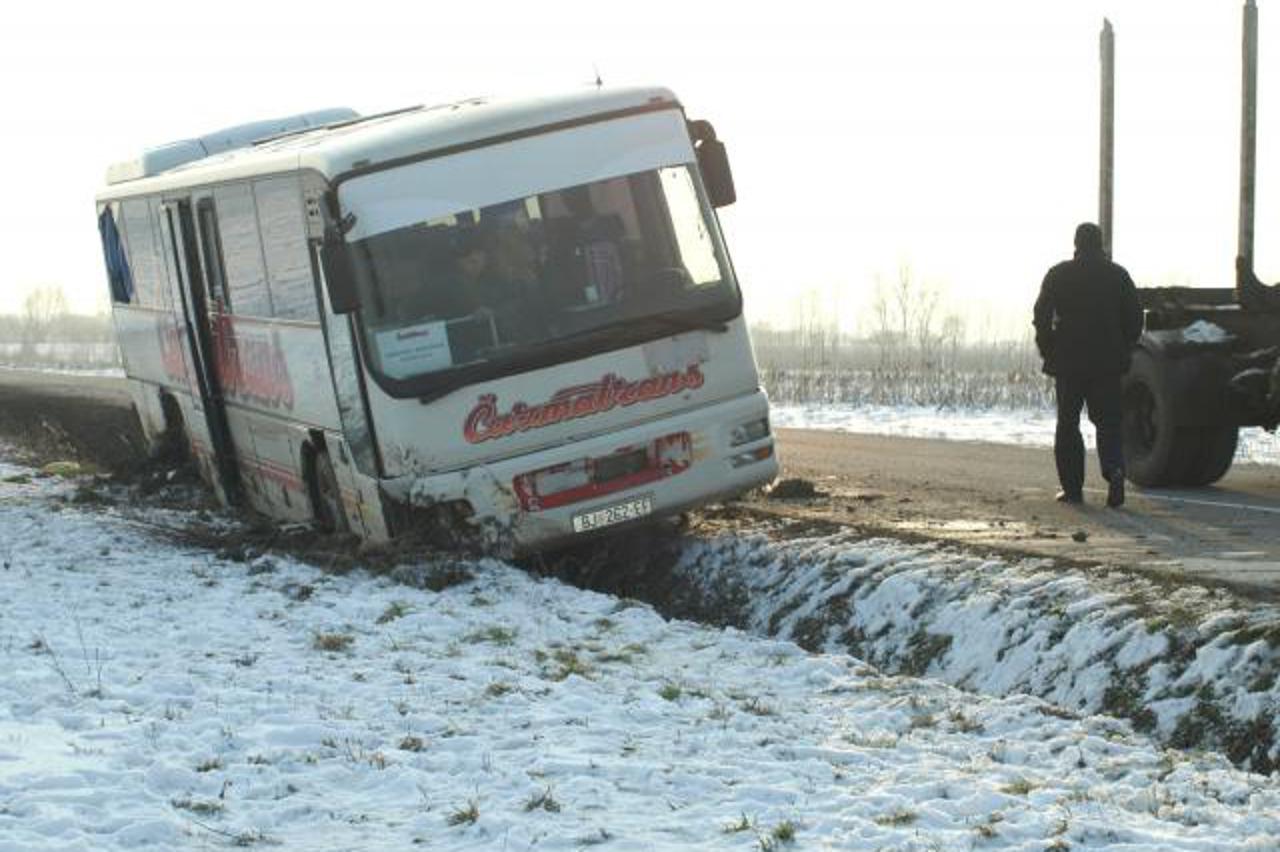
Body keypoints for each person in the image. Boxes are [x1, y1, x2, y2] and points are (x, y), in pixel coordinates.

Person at [1033, 222, 1143, 507]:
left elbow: (1041, 314)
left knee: (1068, 424)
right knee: (1109, 422)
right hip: (1107, 363)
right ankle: (1115, 471)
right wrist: (1124, 347)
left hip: (1069, 362)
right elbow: (1135, 317)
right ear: (1101, 244)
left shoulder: (1059, 274)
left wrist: (1048, 349)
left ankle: (1072, 489)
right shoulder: (1117, 275)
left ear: (1076, 244)